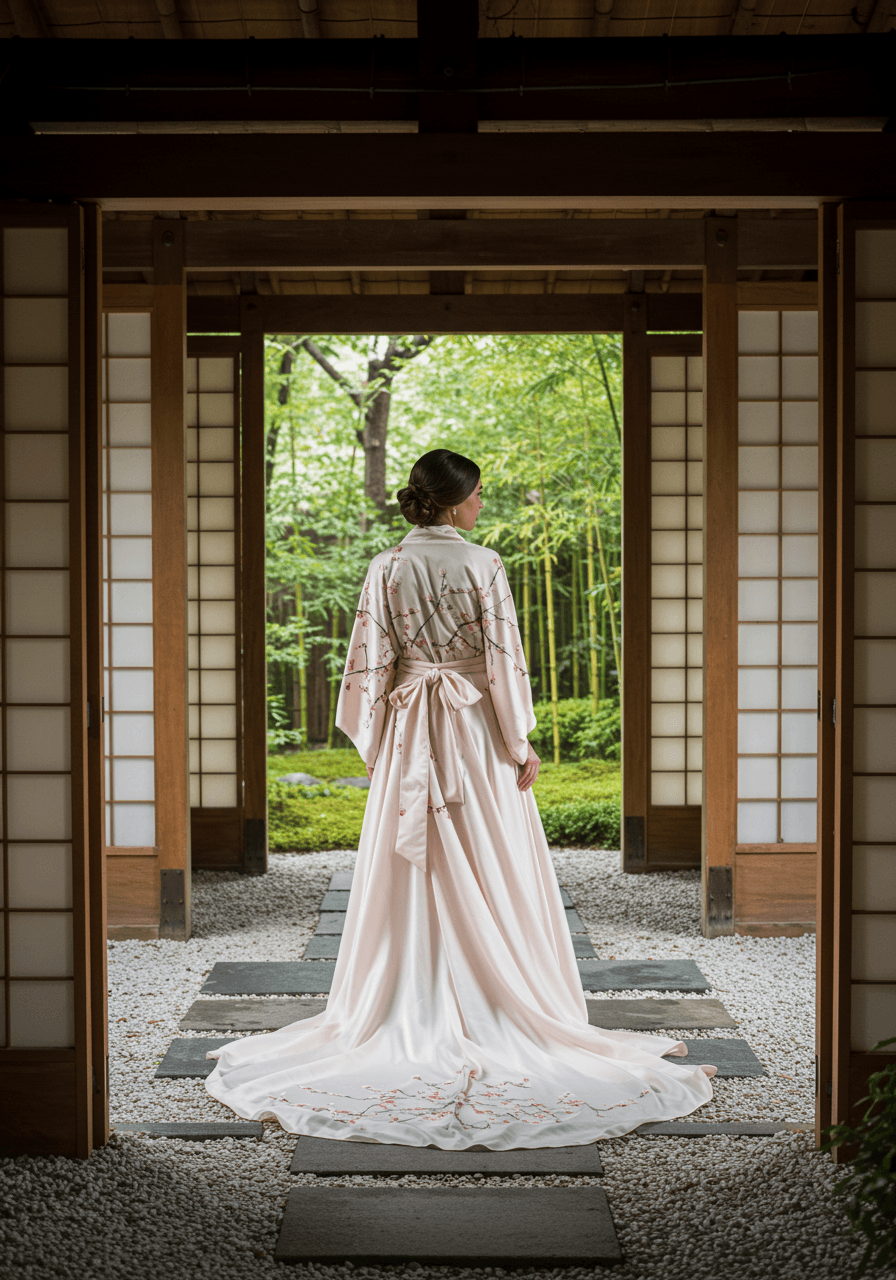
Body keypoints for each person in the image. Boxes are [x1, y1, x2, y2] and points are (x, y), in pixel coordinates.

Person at [205, 448, 715, 1148]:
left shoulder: (388, 565)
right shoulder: (483, 565)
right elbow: (504, 664)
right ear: (455, 500)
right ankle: (501, 996)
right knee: (491, 856)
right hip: (472, 728)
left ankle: (400, 1001)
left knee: (409, 864)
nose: (482, 505)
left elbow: (367, 663)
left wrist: (377, 737)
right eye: (477, 495)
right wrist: (518, 743)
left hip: (412, 723)